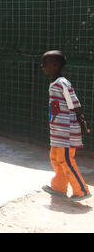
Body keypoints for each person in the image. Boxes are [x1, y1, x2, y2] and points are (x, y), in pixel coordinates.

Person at [41, 50, 91, 201]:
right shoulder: (54, 83)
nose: (42, 66)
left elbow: (74, 103)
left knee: (66, 160)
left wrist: (82, 122)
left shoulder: (62, 83)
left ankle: (82, 190)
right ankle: (59, 187)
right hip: (57, 131)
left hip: (67, 132)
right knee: (55, 158)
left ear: (55, 65)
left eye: (45, 63)